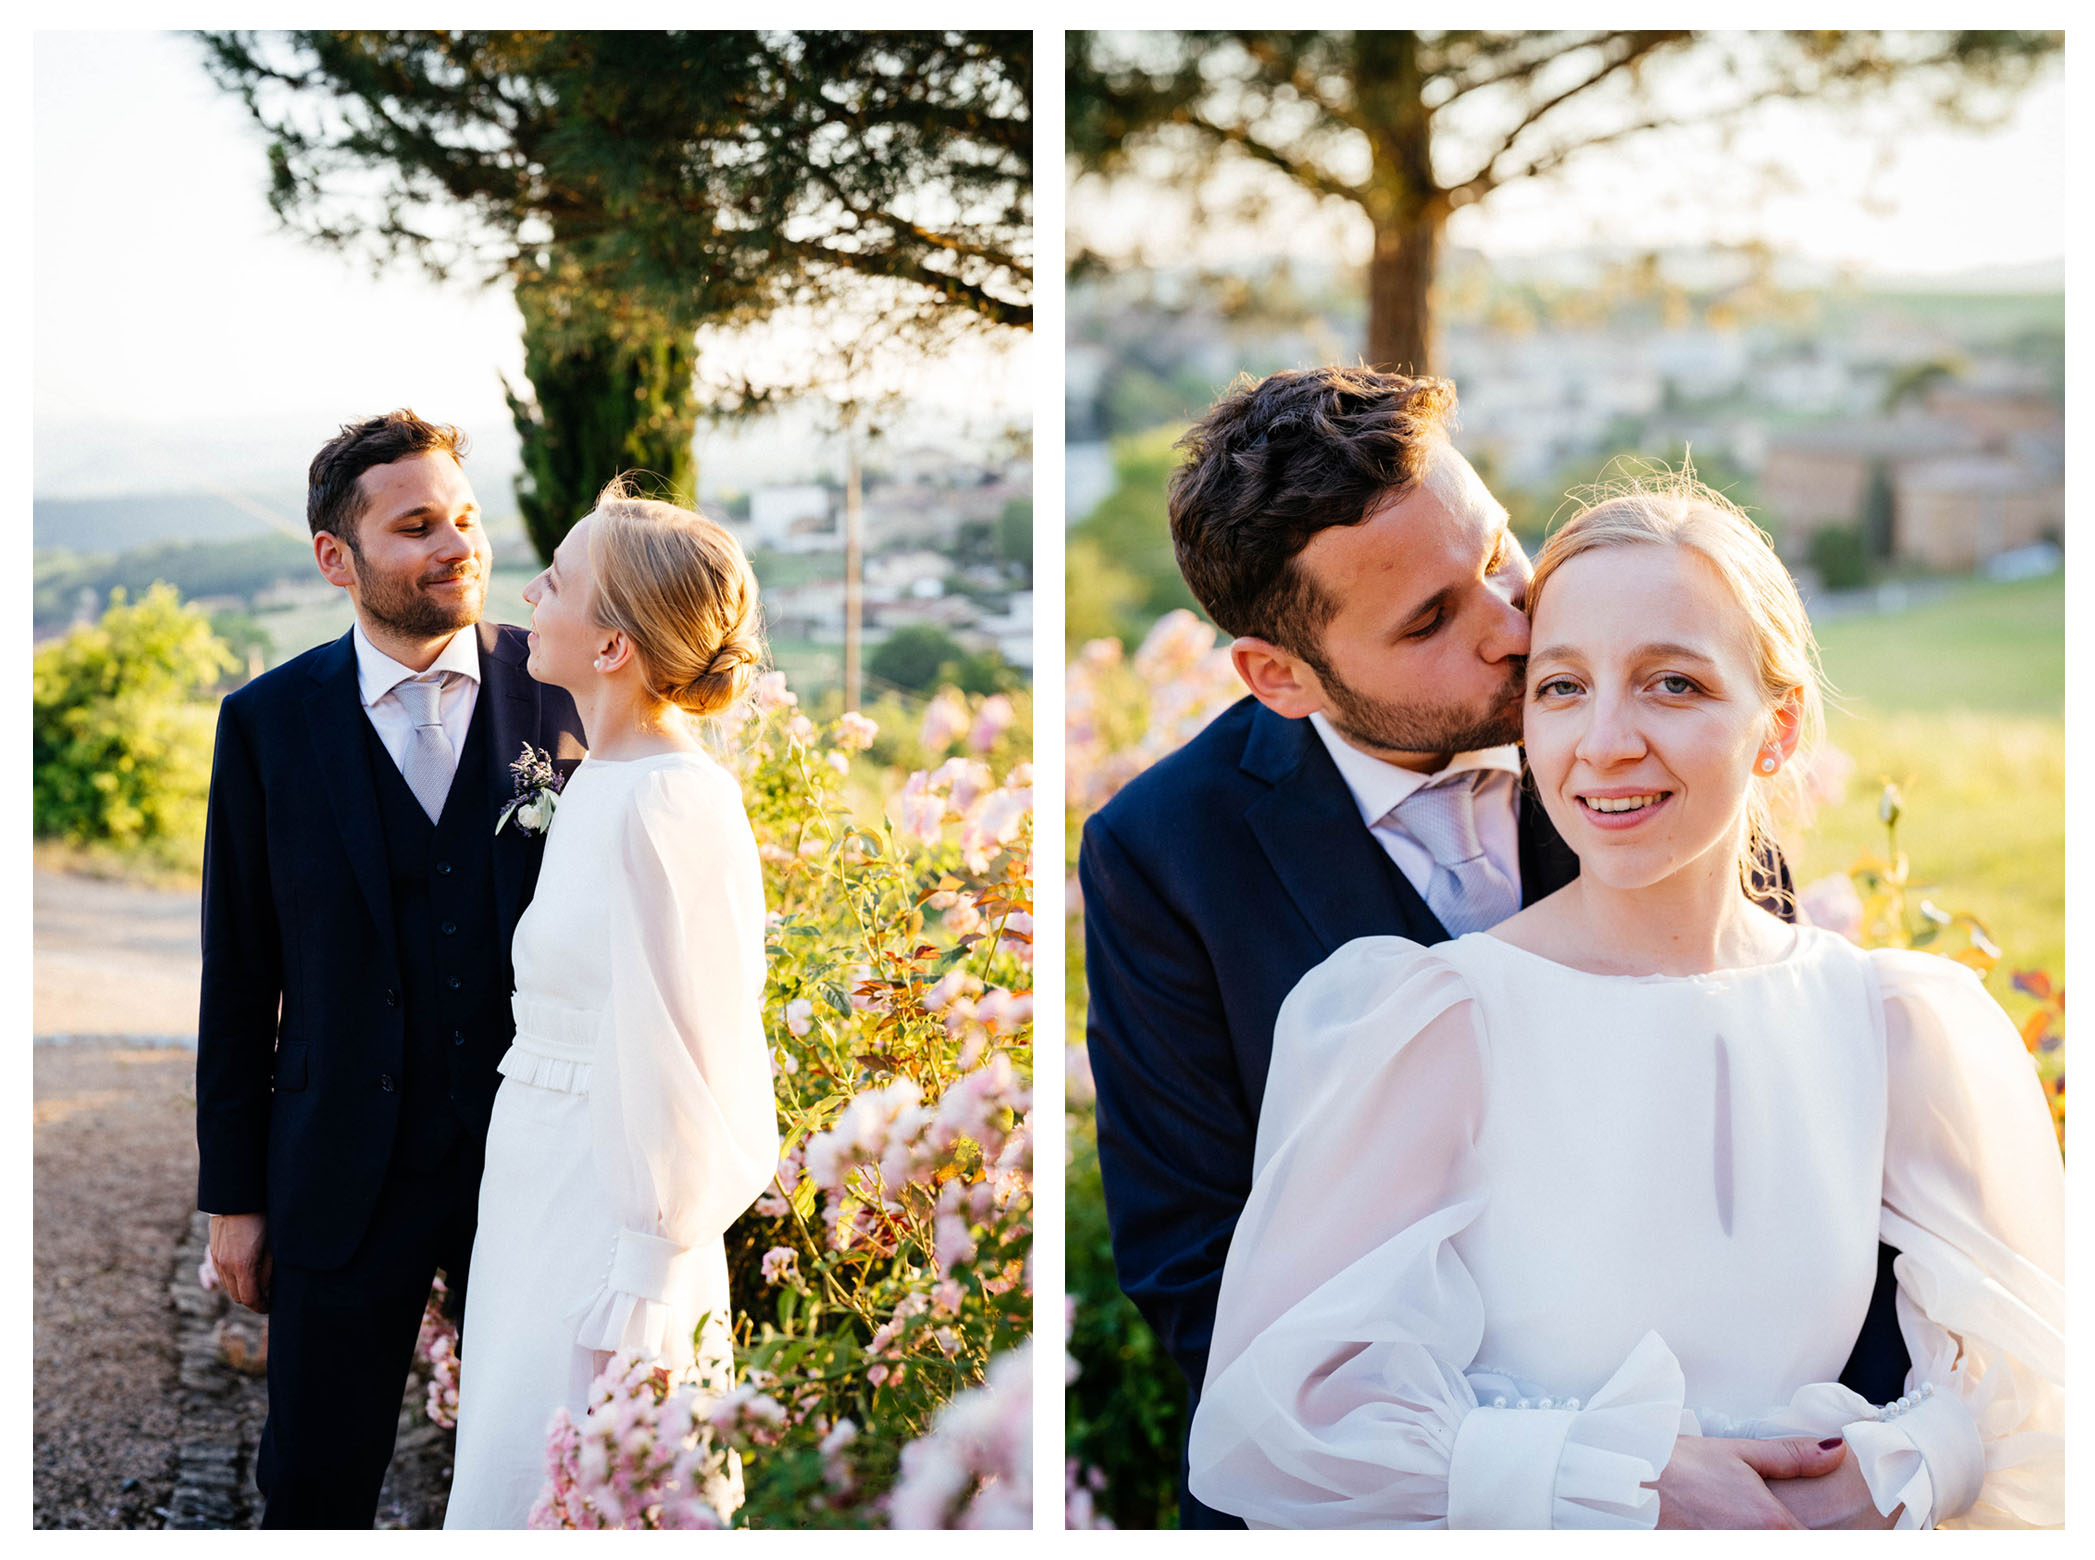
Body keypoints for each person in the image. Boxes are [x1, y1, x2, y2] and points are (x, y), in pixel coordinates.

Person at [1077, 367, 1910, 1528]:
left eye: (1496, 556)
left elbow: (1788, 1128)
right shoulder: (1166, 854)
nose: (1515, 630)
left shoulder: (1650, 746)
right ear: (1280, 677)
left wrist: (1832, 1472)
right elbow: (1199, 1274)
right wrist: (1588, 1474)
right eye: (1431, 621)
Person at [1186, 475, 2064, 1529]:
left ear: (1777, 731)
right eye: (1560, 687)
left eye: (1672, 685)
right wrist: (1623, 1483)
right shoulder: (1436, 1023)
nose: (1603, 741)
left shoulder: (1891, 1022)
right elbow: (1282, 1424)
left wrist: (1897, 1468)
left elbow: (2042, 1386)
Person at [196, 411, 588, 1527]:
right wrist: (233, 1193)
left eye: (465, 517)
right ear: (338, 558)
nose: (457, 545)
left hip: (531, 1161)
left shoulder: (562, 695)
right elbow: (239, 970)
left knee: (536, 1474)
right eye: (417, 526)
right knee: (314, 1479)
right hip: (336, 1171)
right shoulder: (267, 724)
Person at [442, 483, 780, 1528]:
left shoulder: (674, 801)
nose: (529, 593)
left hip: (610, 1212)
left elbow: (699, 1053)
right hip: (541, 1173)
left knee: (587, 1476)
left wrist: (650, 1272)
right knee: (514, 1457)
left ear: (614, 648)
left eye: (558, 581)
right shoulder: (600, 777)